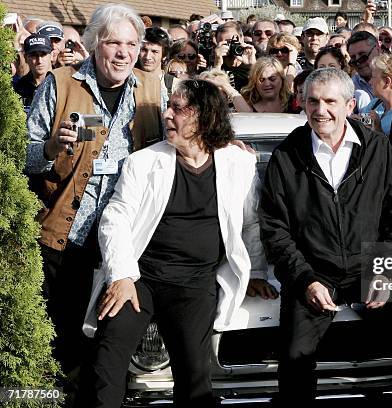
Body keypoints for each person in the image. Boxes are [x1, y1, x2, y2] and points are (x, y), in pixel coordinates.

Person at [79, 79, 277, 407]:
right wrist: (122, 275)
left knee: (195, 372)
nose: (167, 115)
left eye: (179, 109)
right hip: (140, 278)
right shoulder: (143, 162)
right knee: (107, 359)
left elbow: (250, 223)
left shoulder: (238, 164)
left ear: (205, 117)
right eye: (168, 107)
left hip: (196, 283)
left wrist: (256, 272)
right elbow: (115, 218)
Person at [24, 3, 164, 385]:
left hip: (124, 246)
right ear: (94, 43)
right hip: (65, 239)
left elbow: (178, 146)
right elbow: (22, 155)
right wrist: (51, 148)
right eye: (113, 42)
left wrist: (229, 146)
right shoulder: (61, 83)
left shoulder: (150, 92)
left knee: (106, 350)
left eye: (132, 44)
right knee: (59, 341)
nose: (124, 53)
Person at [258, 67, 392, 404]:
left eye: (330, 102)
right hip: (313, 272)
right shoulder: (286, 155)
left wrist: (386, 269)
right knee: (294, 363)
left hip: (372, 268)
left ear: (350, 105)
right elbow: (274, 227)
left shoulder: (379, 149)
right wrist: (304, 279)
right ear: (303, 104)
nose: (321, 110)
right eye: (313, 102)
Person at [360, 53, 392, 136]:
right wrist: (356, 122)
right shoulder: (375, 104)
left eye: (373, 77)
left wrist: (378, 130)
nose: (370, 82)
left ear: (387, 81)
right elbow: (363, 125)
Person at [212, 21, 257, 93]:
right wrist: (217, 65)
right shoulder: (212, 61)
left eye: (230, 42)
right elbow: (211, 93)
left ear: (242, 38)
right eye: (223, 43)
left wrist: (253, 66)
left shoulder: (255, 55)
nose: (228, 46)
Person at [14, 33, 53, 113]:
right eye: (34, 55)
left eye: (43, 55)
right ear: (25, 58)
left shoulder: (59, 84)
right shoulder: (18, 87)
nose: (39, 61)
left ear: (51, 55)